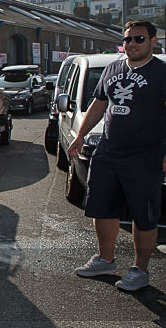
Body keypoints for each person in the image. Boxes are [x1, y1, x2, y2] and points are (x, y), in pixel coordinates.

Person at [69, 20, 166, 291]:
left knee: (143, 215)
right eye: (127, 40)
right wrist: (79, 136)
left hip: (145, 156)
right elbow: (99, 104)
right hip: (109, 151)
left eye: (139, 39)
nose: (132, 44)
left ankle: (140, 271)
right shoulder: (113, 68)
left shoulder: (161, 72)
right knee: (103, 208)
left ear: (153, 41)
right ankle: (105, 259)